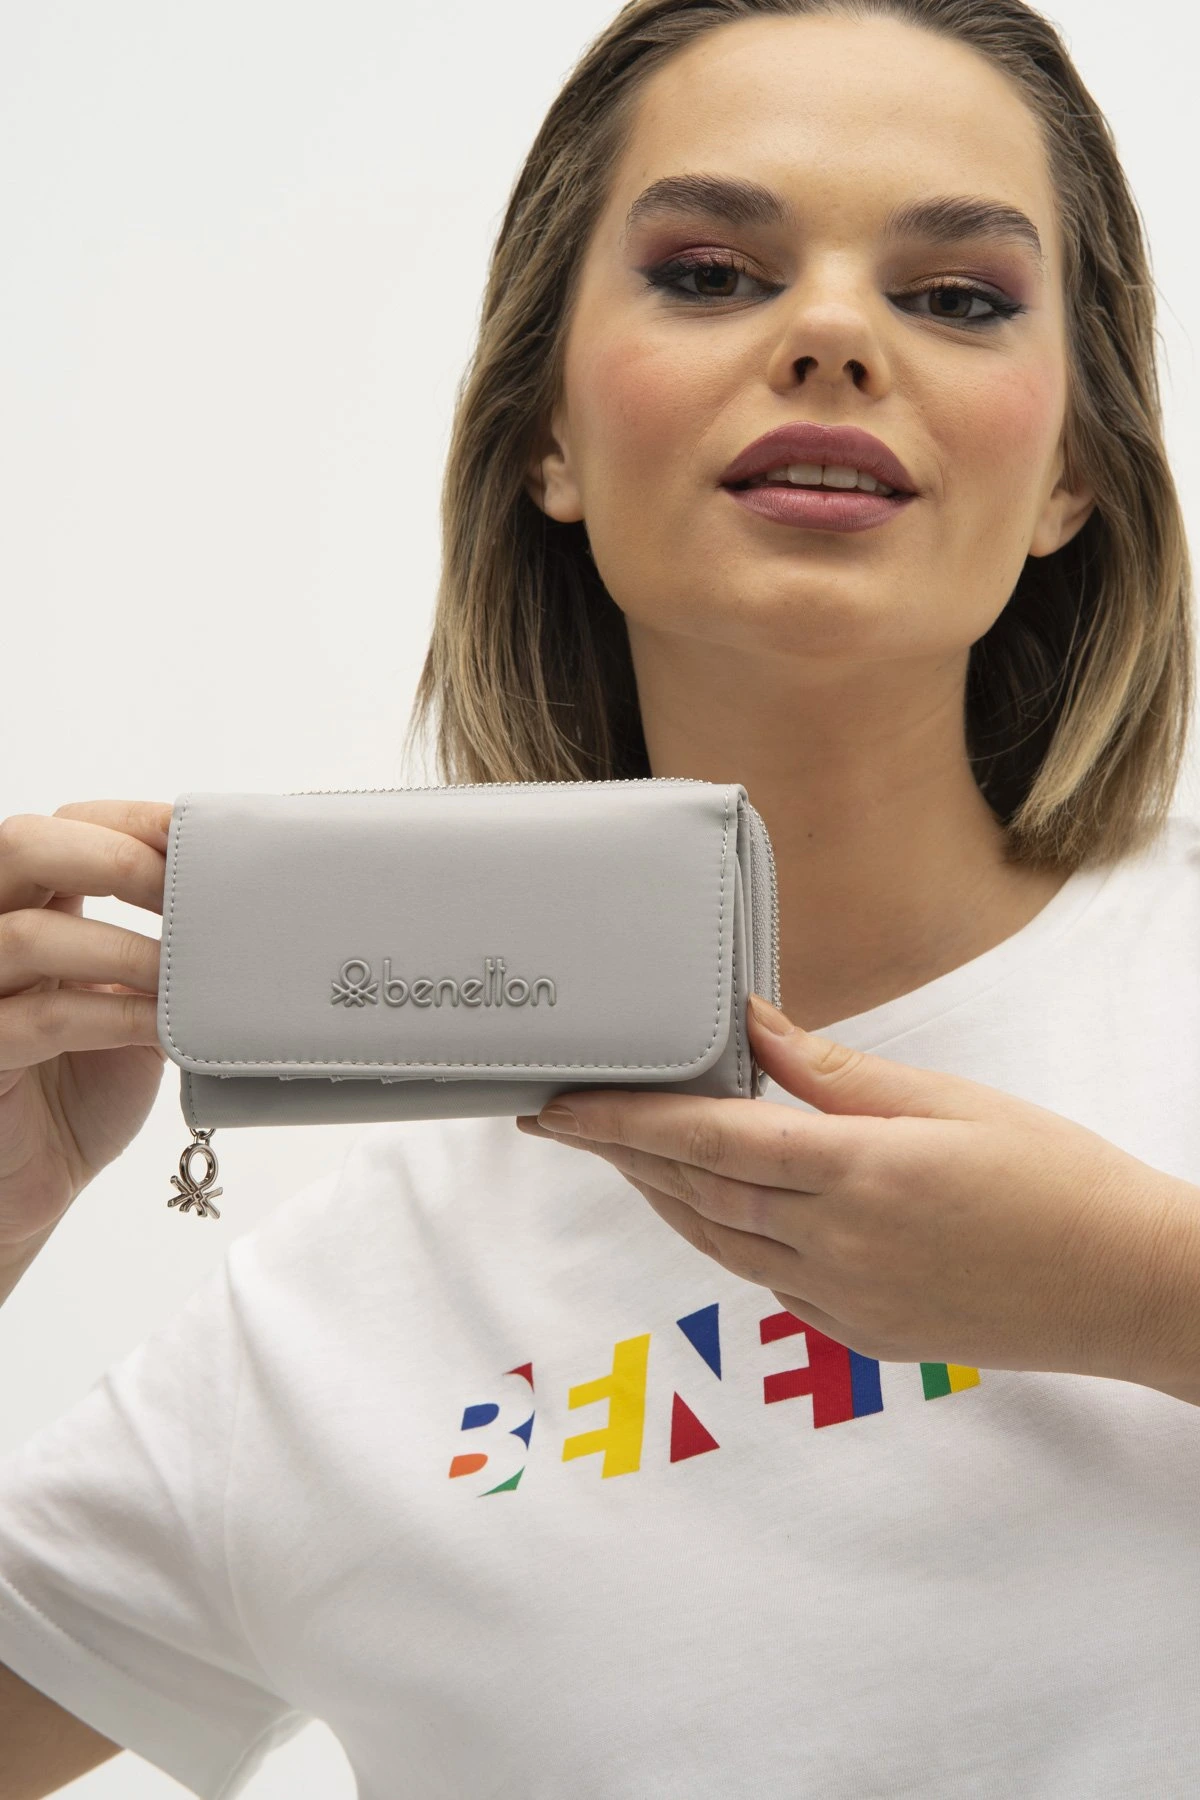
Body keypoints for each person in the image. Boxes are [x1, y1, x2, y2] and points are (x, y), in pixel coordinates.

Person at [1, 0, 1197, 1794]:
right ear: (545, 433)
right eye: (709, 273)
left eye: (957, 297)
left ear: (1076, 472)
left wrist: (1144, 1293)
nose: (831, 335)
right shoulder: (315, 1345)